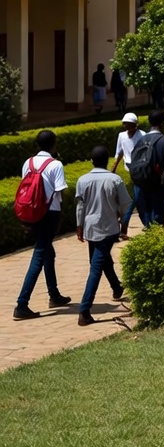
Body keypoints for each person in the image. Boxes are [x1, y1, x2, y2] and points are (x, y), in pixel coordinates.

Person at [13, 130, 71, 320]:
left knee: (48, 252)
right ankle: (22, 303)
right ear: (53, 145)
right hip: (49, 214)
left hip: (31, 213)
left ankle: (54, 295)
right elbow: (60, 192)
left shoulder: (27, 163)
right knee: (39, 255)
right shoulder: (55, 164)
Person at [75, 145, 131, 326]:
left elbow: (80, 207)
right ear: (107, 161)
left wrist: (79, 225)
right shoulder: (114, 179)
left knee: (99, 261)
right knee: (96, 267)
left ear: (91, 161)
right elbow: (125, 204)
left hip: (91, 228)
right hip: (108, 228)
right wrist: (124, 223)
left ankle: (116, 287)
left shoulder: (82, 180)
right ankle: (84, 310)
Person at [137, 109, 164, 227]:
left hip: (142, 184)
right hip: (159, 185)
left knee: (147, 219)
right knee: (158, 219)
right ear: (162, 123)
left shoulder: (141, 140)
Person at [112, 111, 145, 229]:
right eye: (125, 124)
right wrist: (114, 168)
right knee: (137, 198)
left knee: (137, 198)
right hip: (129, 169)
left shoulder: (142, 135)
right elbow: (119, 152)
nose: (127, 127)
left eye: (130, 124)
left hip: (140, 169)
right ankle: (144, 223)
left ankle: (126, 223)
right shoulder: (122, 136)